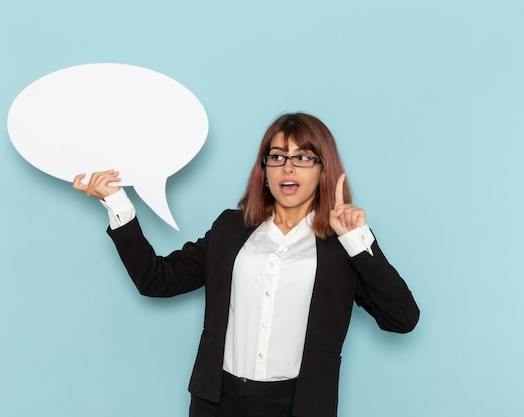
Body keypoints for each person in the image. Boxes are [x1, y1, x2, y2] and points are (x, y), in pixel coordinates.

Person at [72, 112, 419, 417]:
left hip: (298, 405)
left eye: (303, 157)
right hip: (216, 401)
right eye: (278, 156)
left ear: (323, 169)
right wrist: (117, 202)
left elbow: (401, 319)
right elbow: (155, 280)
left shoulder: (342, 245)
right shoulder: (230, 228)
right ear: (264, 169)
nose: (288, 166)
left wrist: (358, 240)